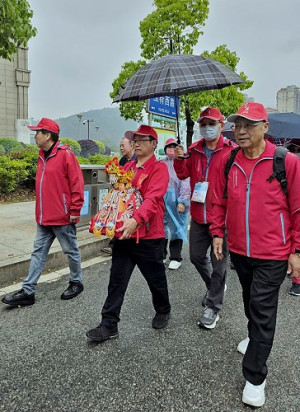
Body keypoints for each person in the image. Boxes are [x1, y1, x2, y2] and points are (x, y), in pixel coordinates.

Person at [211, 102, 300, 407]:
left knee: (263, 310)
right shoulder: (230, 160)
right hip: (239, 250)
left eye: (249, 124)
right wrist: (218, 232)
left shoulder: (285, 162)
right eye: (237, 125)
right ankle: (253, 337)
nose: (241, 131)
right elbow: (219, 201)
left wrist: (297, 250)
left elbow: (299, 209)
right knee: (251, 300)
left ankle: (255, 376)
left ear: (265, 127)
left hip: (273, 253)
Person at [86, 125, 171, 342]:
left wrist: (137, 220)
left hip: (149, 235)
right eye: (135, 139)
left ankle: (163, 309)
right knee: (117, 279)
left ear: (154, 143)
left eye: (143, 140)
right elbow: (119, 196)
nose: (137, 143)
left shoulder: (158, 169)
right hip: (124, 234)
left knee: (156, 279)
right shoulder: (128, 166)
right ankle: (108, 324)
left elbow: (153, 199)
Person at [2, 118, 85, 307]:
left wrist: (75, 209)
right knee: (38, 253)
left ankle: (76, 282)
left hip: (62, 216)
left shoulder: (66, 155)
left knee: (71, 250)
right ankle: (28, 291)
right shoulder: (41, 155)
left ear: (48, 136)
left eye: (38, 132)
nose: (35, 135)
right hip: (44, 216)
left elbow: (77, 183)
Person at [174, 107, 235, 329]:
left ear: (221, 125)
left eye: (211, 124)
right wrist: (180, 159)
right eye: (203, 124)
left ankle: (213, 307)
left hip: (222, 217)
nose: (207, 128)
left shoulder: (231, 151)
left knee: (219, 264)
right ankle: (215, 288)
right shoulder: (193, 150)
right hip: (199, 215)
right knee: (196, 257)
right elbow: (182, 174)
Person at [101, 136, 137, 256]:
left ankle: (115, 245)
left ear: (131, 145)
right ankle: (113, 244)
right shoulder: (122, 161)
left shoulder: (137, 160)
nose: (121, 148)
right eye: (120, 145)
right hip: (120, 195)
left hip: (132, 197)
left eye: (123, 145)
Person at [161, 138, 190, 270]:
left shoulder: (184, 162)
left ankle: (175, 257)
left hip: (177, 201)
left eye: (174, 146)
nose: (171, 149)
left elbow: (186, 182)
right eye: (169, 147)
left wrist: (183, 201)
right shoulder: (161, 163)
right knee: (161, 228)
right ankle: (161, 255)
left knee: (176, 228)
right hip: (163, 200)